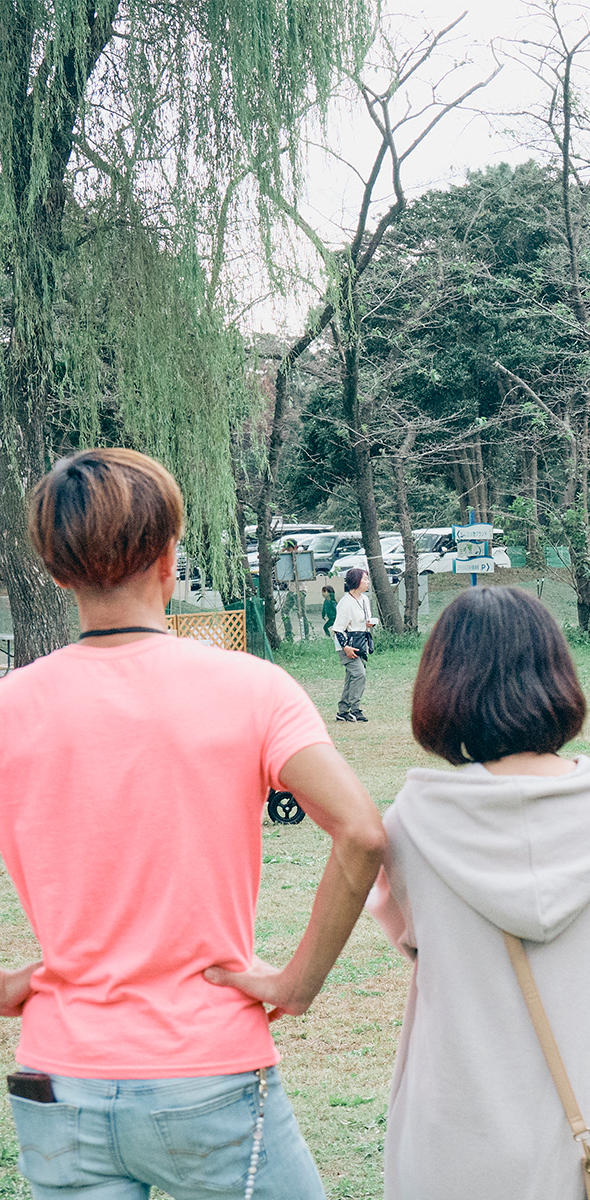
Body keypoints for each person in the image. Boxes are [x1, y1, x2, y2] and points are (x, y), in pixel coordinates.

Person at [0, 448, 387, 1200]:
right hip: (205, 1068)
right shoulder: (250, 689)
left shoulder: (9, 707)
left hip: (58, 1075)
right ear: (171, 558)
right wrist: (297, 982)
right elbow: (364, 832)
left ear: (54, 569)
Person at [368, 586, 590, 1200]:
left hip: (455, 1133)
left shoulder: (410, 825)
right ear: (559, 673)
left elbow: (412, 940)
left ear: (441, 687)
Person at [331, 566, 378, 723]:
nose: (367, 582)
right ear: (356, 581)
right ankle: (355, 709)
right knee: (359, 674)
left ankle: (343, 711)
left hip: (360, 642)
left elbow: (364, 621)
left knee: (352, 677)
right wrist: (345, 647)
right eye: (365, 579)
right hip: (346, 644)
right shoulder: (345, 603)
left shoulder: (365, 600)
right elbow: (338, 629)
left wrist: (369, 624)